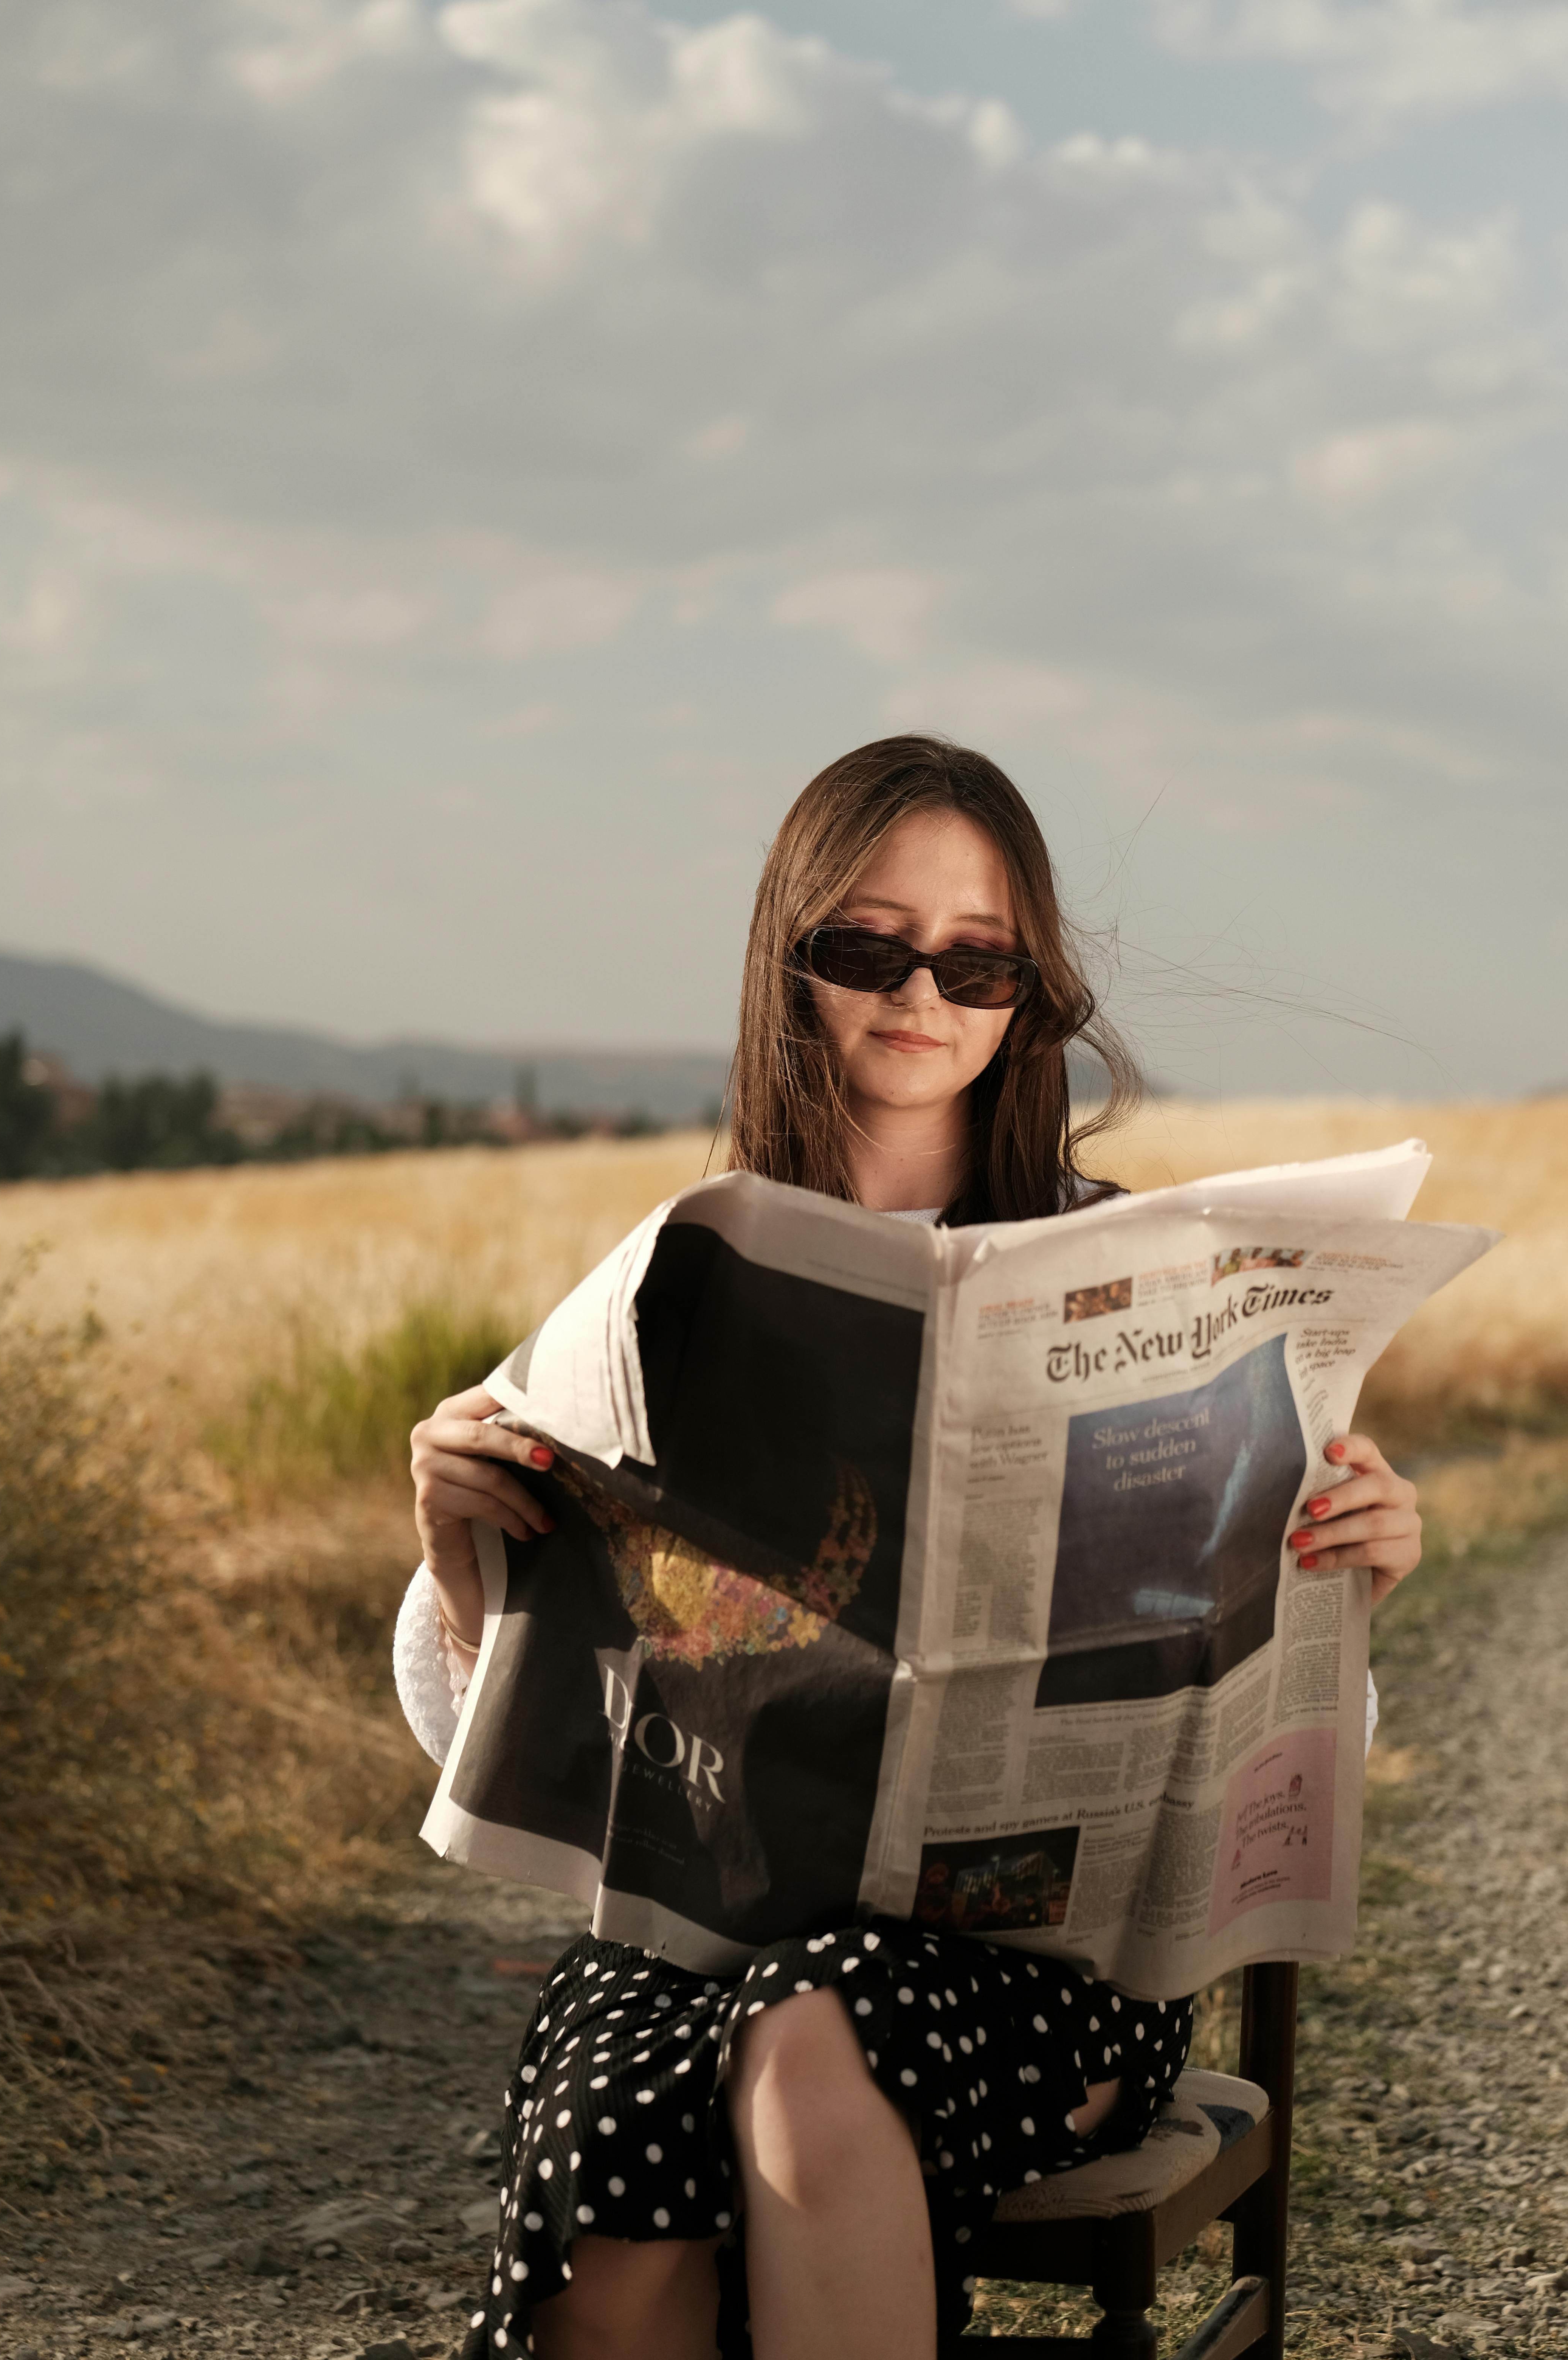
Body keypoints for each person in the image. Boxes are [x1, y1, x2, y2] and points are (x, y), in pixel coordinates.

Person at [395, 736, 1423, 2360]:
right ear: (787, 963)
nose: (919, 994)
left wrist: (1343, 1573)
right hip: (703, 1938)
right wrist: (464, 1569)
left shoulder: (1149, 1283)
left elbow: (1253, 1739)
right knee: (617, 2138)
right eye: (867, 948)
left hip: (1027, 1974)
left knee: (822, 2028)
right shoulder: (676, 1283)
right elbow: (524, 1744)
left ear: (1031, 991)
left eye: (977, 960)